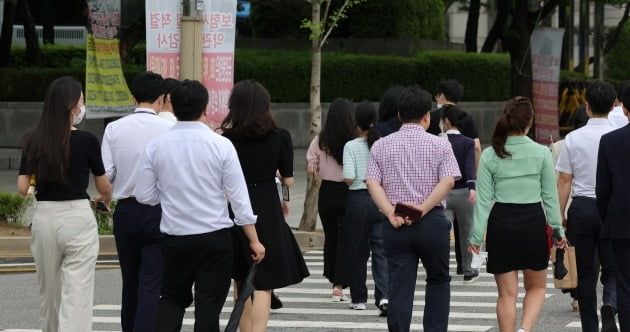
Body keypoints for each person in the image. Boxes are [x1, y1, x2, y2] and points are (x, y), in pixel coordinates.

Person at [134, 79, 265, 332]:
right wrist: (254, 239)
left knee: (171, 299)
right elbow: (239, 199)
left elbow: (144, 195)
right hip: (215, 239)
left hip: (176, 238)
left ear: (170, 103)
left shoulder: (156, 146)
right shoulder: (221, 145)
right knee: (208, 308)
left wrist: (171, 195)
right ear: (205, 107)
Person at [17, 76, 112, 331]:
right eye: (82, 100)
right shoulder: (88, 141)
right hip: (77, 217)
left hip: (45, 218)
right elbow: (103, 187)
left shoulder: (32, 139)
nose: (83, 106)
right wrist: (104, 199)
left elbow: (23, 188)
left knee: (50, 293)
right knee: (77, 292)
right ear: (72, 106)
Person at [366, 86, 461, 332]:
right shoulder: (440, 145)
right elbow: (449, 180)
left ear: (399, 115)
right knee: (438, 280)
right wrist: (423, 207)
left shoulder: (380, 146)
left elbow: (372, 182)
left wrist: (389, 211)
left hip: (396, 223)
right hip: (432, 222)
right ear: (427, 116)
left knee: (399, 285)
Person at [469, 97, 568, 332]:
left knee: (506, 295)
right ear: (529, 122)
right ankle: (524, 329)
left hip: (501, 223)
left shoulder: (491, 154)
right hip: (532, 222)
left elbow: (483, 201)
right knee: (537, 288)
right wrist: (558, 231)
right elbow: (550, 198)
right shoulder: (541, 153)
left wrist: (475, 237)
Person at [221, 80, 309, 332]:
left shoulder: (227, 139)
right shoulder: (280, 136)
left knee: (241, 276)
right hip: (268, 205)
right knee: (264, 281)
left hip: (237, 207)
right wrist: (284, 198)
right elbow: (288, 179)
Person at [100, 71, 174, 332]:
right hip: (159, 212)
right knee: (151, 284)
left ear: (133, 97)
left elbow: (106, 175)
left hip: (126, 211)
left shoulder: (114, 128)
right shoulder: (170, 129)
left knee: (129, 281)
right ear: (162, 98)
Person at [556, 81, 618, 332]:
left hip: (581, 208)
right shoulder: (618, 137)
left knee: (584, 272)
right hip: (611, 208)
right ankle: (611, 302)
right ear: (614, 105)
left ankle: (590, 327)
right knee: (614, 267)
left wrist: (559, 215)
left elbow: (564, 180)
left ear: (587, 106)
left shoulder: (573, 138)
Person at [427, 79, 482, 276]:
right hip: (463, 185)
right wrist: (472, 178)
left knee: (442, 226)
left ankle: (438, 266)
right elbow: (476, 147)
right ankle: (464, 265)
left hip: (439, 184)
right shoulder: (465, 117)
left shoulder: (431, 117)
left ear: (441, 95)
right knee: (465, 227)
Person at [306, 98, 356, 301]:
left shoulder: (320, 140)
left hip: (327, 193)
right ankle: (340, 283)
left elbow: (311, 166)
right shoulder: (354, 140)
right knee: (346, 238)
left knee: (331, 237)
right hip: (348, 191)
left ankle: (333, 277)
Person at [342, 102, 389, 315]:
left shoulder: (350, 146)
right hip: (380, 198)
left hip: (358, 200)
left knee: (358, 251)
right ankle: (384, 296)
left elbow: (349, 178)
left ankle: (359, 297)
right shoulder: (383, 143)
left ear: (356, 123)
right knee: (380, 251)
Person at [597, 84, 630, 332]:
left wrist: (607, 217)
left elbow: (603, 190)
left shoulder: (610, 141)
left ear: (624, 108)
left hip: (621, 222)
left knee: (626, 286)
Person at [440, 105, 477, 284]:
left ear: (446, 121)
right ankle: (468, 270)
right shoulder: (468, 142)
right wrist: (472, 187)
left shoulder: (438, 141)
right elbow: (470, 167)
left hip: (444, 192)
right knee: (467, 231)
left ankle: (442, 268)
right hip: (464, 192)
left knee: (442, 231)